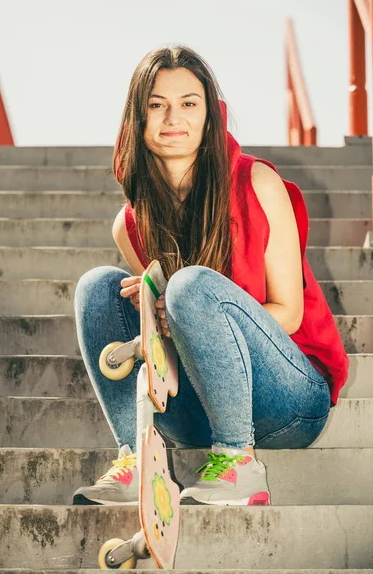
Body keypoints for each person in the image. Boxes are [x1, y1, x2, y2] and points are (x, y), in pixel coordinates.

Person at [72, 45, 349, 507]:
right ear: (136, 120)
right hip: (196, 409)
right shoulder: (131, 224)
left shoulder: (257, 183)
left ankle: (239, 463)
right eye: (156, 105)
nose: (172, 117)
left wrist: (187, 311)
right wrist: (152, 328)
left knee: (191, 286)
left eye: (188, 103)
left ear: (209, 116)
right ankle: (138, 459)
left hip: (288, 400)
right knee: (97, 287)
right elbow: (168, 347)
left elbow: (291, 314)